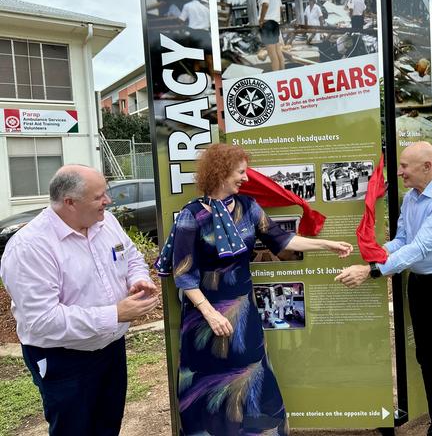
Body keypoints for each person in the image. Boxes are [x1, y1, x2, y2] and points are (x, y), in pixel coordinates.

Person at [168, 143, 353, 435]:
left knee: (252, 374)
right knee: (207, 383)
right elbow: (183, 274)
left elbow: (282, 240)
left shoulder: (248, 207)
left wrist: (326, 244)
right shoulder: (192, 216)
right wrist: (210, 314)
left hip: (243, 313)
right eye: (240, 172)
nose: (246, 178)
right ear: (220, 172)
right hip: (204, 317)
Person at [335, 142, 432, 436]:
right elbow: (403, 240)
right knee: (426, 357)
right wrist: (376, 254)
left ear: (427, 167)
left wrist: (372, 271)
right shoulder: (410, 199)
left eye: (404, 166)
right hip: (420, 285)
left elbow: (421, 247)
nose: (399, 172)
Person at [0, 165, 159, 436]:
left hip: (110, 348)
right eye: (99, 196)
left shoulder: (106, 222)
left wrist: (137, 279)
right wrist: (116, 314)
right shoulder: (30, 248)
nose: (108, 201)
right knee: (73, 429)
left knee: (107, 425)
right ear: (69, 202)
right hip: (64, 359)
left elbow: (130, 256)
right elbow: (42, 321)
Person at [250, 0, 285, 71]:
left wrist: (261, 20)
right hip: (274, 23)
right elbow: (280, 7)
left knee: (272, 54)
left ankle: (276, 77)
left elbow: (265, 4)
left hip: (267, 24)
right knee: (278, 52)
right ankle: (283, 73)